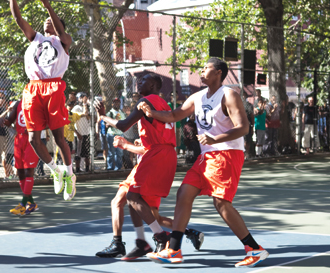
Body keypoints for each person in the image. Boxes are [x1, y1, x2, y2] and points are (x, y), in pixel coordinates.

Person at [139, 58, 269, 267]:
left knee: (221, 203)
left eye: (207, 68)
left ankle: (254, 249)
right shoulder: (197, 97)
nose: (202, 70)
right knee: (184, 193)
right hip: (206, 156)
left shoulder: (229, 95)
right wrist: (152, 113)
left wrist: (214, 139)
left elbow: (243, 127)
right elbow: (174, 115)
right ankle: (173, 249)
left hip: (226, 153)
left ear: (218, 72)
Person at [3, 0, 76, 201]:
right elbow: (17, 18)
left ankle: (70, 175)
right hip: (33, 89)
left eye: (51, 21)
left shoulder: (63, 42)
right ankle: (57, 171)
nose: (46, 22)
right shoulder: (36, 39)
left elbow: (62, 31)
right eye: (45, 20)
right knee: (35, 139)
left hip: (53, 87)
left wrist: (48, 6)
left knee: (59, 138)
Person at [94, 73, 179, 259]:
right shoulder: (165, 105)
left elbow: (123, 125)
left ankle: (161, 236)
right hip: (165, 154)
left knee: (133, 196)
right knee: (133, 197)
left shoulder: (146, 101)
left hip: (156, 154)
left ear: (155, 85)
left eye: (144, 80)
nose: (139, 82)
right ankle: (142, 242)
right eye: (139, 80)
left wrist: (103, 117)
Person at [95, 136, 204, 260]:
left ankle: (125, 243)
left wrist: (125, 144)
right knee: (123, 203)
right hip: (142, 170)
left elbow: (150, 150)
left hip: (150, 170)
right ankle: (187, 233)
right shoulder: (146, 123)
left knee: (149, 214)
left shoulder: (152, 119)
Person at [5, 100, 40, 216]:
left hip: (31, 139)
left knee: (28, 170)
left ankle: (23, 205)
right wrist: (4, 120)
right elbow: (9, 121)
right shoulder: (18, 104)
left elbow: (46, 123)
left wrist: (33, 129)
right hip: (19, 139)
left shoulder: (37, 104)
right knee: (20, 172)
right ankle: (32, 203)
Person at [72, 92, 92, 173]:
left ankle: (87, 168)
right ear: (78, 98)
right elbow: (73, 119)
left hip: (86, 132)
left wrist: (86, 104)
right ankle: (77, 169)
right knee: (78, 153)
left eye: (85, 97)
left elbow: (87, 116)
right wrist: (76, 133)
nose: (84, 98)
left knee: (87, 152)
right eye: (82, 97)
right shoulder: (76, 107)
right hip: (79, 133)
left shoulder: (86, 107)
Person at [106, 98, 125, 171]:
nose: (116, 104)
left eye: (118, 103)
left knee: (119, 152)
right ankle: (110, 167)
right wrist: (115, 120)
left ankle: (118, 168)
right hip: (112, 134)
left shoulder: (122, 112)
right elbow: (107, 124)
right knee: (111, 152)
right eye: (115, 103)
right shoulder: (110, 113)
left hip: (120, 134)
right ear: (112, 104)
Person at [242, 91, 255, 157]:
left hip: (247, 125)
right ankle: (243, 154)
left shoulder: (249, 105)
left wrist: (252, 126)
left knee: (247, 140)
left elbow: (252, 115)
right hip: (239, 126)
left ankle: (246, 154)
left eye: (244, 96)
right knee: (243, 141)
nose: (243, 97)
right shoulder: (238, 104)